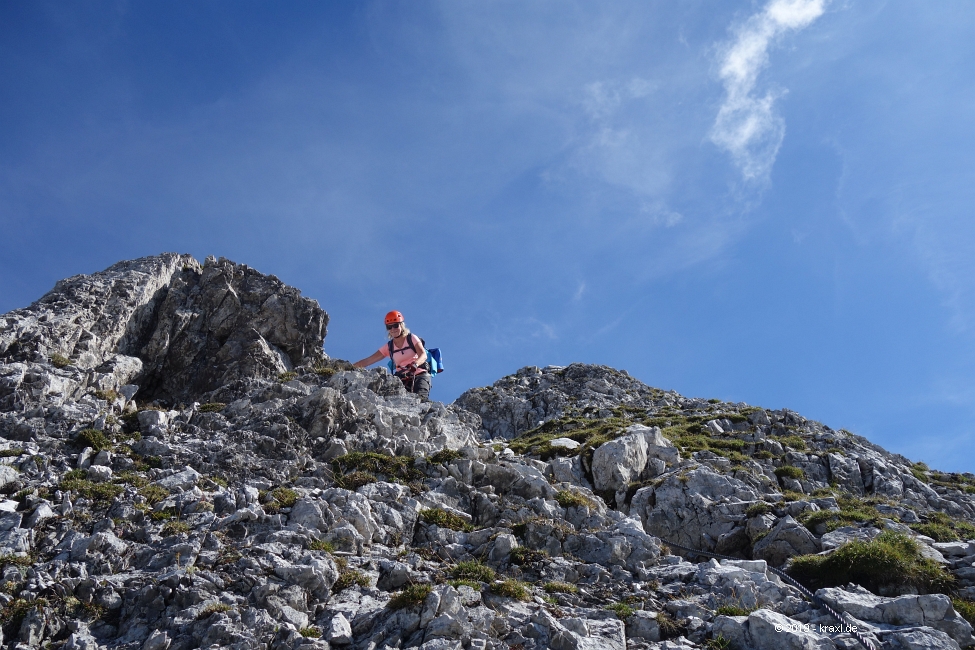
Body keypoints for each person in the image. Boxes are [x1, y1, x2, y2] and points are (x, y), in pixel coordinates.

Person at [353, 310, 431, 400]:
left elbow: (423, 355)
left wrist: (415, 364)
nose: (393, 329)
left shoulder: (411, 338)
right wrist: (349, 368)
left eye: (395, 325)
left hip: (419, 375)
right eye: (389, 327)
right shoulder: (389, 347)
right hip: (401, 379)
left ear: (401, 325)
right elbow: (368, 360)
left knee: (421, 400)